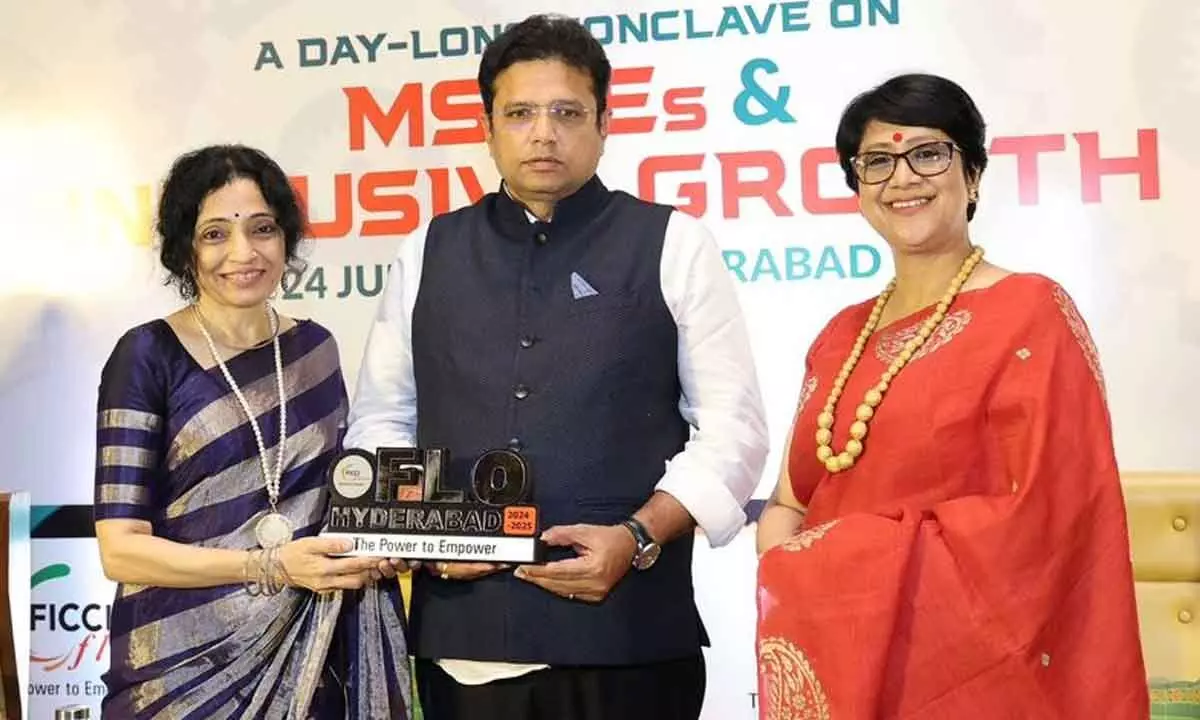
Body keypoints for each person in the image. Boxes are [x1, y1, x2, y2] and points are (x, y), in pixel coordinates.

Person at [344, 12, 769, 720]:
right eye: (520, 113)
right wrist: (423, 535)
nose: (544, 132)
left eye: (567, 112)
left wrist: (638, 536)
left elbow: (734, 430)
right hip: (467, 642)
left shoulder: (673, 243)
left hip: (630, 641)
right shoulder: (427, 250)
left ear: (604, 121)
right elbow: (384, 416)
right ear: (487, 128)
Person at [754, 72, 1149, 718]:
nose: (902, 178)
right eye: (877, 161)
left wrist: (846, 564)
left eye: (928, 154)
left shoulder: (1029, 312)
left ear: (972, 177)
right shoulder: (840, 336)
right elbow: (790, 501)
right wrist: (809, 577)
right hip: (844, 663)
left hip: (974, 678)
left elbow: (1050, 517)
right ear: (857, 190)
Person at [92, 144, 412, 719]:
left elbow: (336, 503)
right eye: (215, 233)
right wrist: (269, 565)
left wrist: (382, 545)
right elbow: (121, 551)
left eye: (262, 228)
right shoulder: (146, 356)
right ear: (183, 247)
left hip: (309, 656)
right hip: (178, 670)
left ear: (285, 238)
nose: (243, 252)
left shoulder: (315, 350)